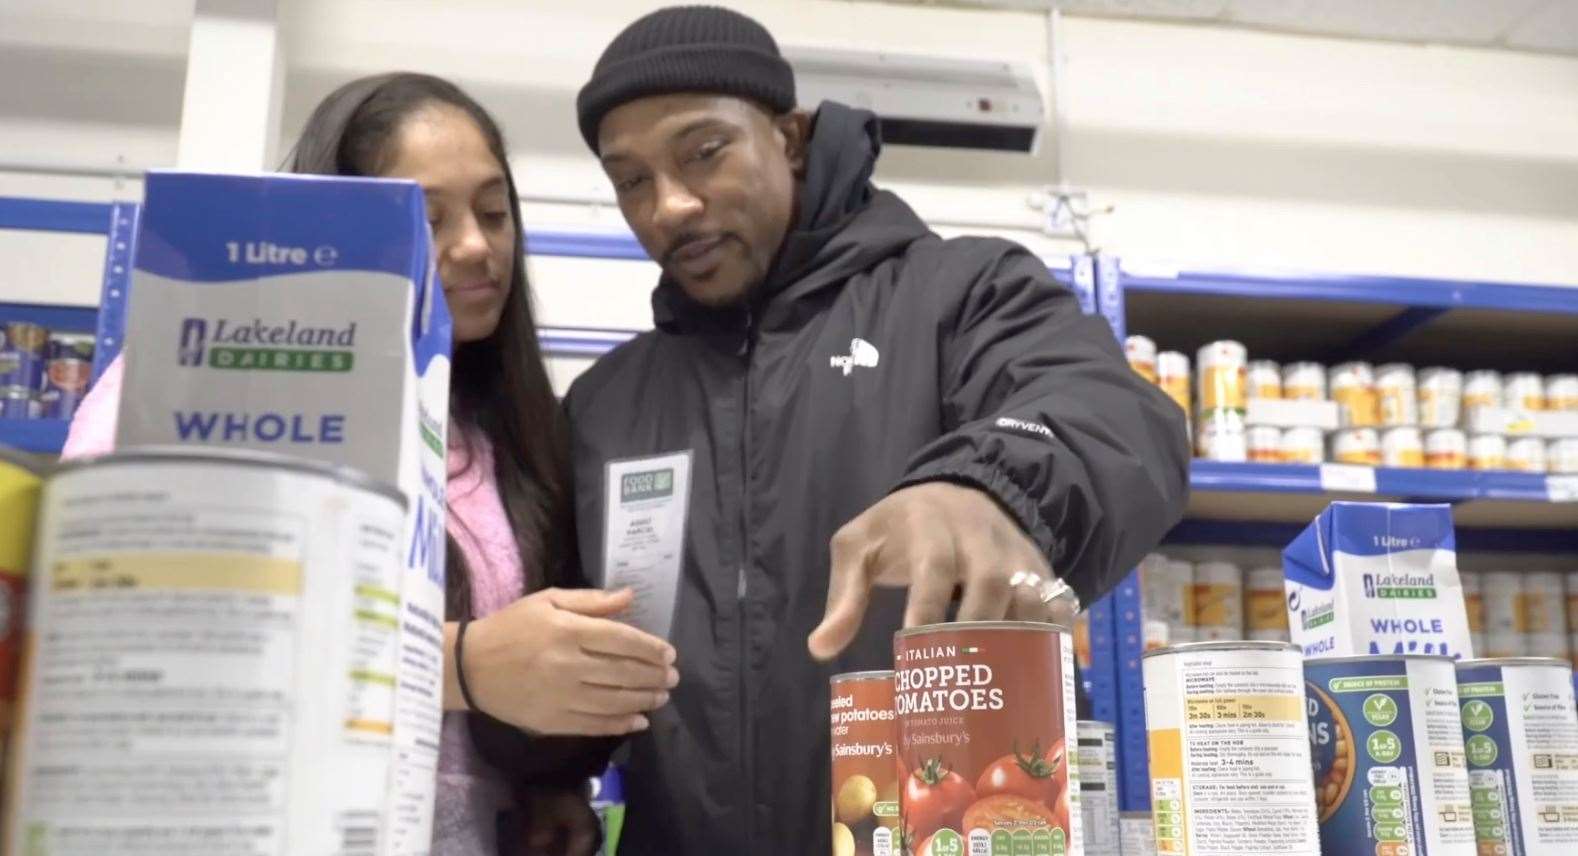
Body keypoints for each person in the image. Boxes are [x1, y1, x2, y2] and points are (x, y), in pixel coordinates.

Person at [565, 6, 1192, 854]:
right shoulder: (605, 407)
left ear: (789, 138)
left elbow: (1113, 414)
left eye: (703, 152)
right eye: (631, 179)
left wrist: (991, 485)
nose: (670, 205)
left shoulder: (957, 294)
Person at [61, 72, 675, 856]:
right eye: (429, 219)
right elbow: (124, 626)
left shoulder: (501, 435)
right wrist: (461, 665)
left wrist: (543, 779)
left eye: (494, 212)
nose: (478, 246)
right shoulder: (203, 376)